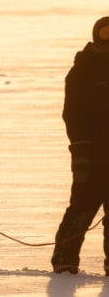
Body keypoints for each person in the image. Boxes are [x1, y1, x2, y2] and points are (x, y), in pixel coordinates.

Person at [51, 16, 109, 274]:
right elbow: (71, 113)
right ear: (96, 37)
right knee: (82, 206)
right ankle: (64, 260)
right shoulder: (83, 69)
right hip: (90, 154)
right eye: (105, 35)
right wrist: (80, 146)